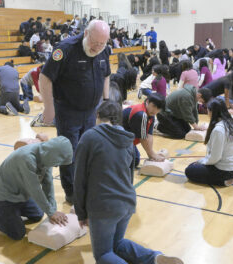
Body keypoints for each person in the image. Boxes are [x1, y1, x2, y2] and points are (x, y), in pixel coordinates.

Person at [74, 101, 183, 264]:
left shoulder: (90, 137)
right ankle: (154, 258)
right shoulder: (127, 138)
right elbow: (129, 175)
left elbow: (79, 179)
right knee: (117, 244)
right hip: (127, 201)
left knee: (103, 254)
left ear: (97, 115)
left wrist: (81, 213)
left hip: (104, 205)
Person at [39, 20, 111, 203]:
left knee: (87, 150)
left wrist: (106, 101)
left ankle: (85, 185)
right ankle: (71, 191)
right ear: (86, 33)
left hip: (91, 111)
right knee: (68, 152)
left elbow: (106, 75)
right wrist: (49, 108)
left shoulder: (103, 50)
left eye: (102, 43)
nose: (98, 47)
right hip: (68, 111)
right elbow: (45, 77)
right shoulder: (65, 49)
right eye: (95, 43)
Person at [0, 136, 73, 240]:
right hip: (2, 196)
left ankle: (11, 214)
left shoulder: (47, 156)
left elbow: (48, 183)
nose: (56, 166)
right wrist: (51, 212)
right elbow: (34, 189)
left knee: (38, 214)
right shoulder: (27, 158)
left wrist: (52, 211)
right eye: (58, 163)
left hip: (20, 194)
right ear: (53, 156)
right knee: (18, 233)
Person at [185, 98, 233, 186]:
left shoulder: (219, 130)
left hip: (224, 171)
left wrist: (202, 161)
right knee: (194, 165)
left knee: (189, 170)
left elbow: (215, 157)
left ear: (211, 111)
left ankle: (225, 181)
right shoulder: (230, 123)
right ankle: (231, 176)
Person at [123, 93, 165, 167]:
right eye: (154, 106)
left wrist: (151, 154)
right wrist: (152, 155)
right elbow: (143, 138)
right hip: (116, 139)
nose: (155, 110)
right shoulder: (141, 114)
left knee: (135, 160)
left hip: (127, 138)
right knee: (133, 162)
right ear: (147, 102)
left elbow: (149, 135)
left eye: (158, 109)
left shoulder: (150, 114)